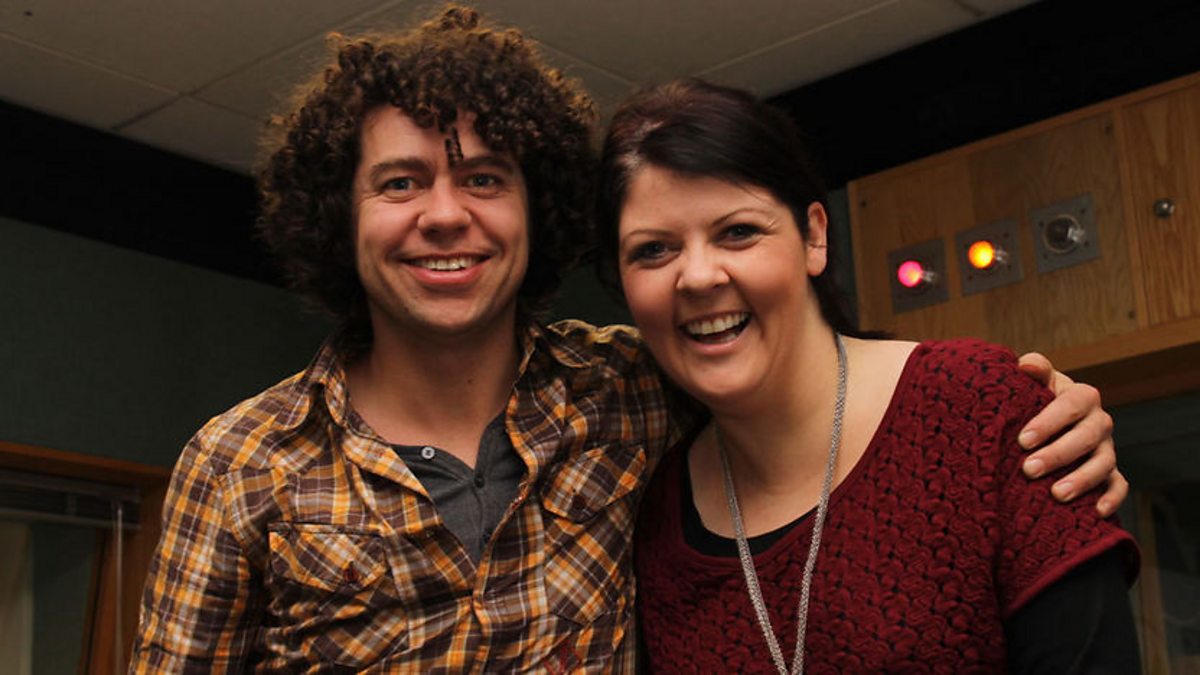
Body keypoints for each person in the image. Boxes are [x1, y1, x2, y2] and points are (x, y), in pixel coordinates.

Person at [131, 6, 1125, 672]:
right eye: (400, 183)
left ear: (536, 212)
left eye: (484, 179)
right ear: (337, 218)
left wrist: (1048, 411)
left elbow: (817, 390)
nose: (445, 214)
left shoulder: (629, 391)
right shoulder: (240, 466)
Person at [595, 78, 1140, 673]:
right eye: (653, 250)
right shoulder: (654, 517)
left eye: (738, 232)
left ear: (814, 237)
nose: (699, 276)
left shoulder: (977, 411)